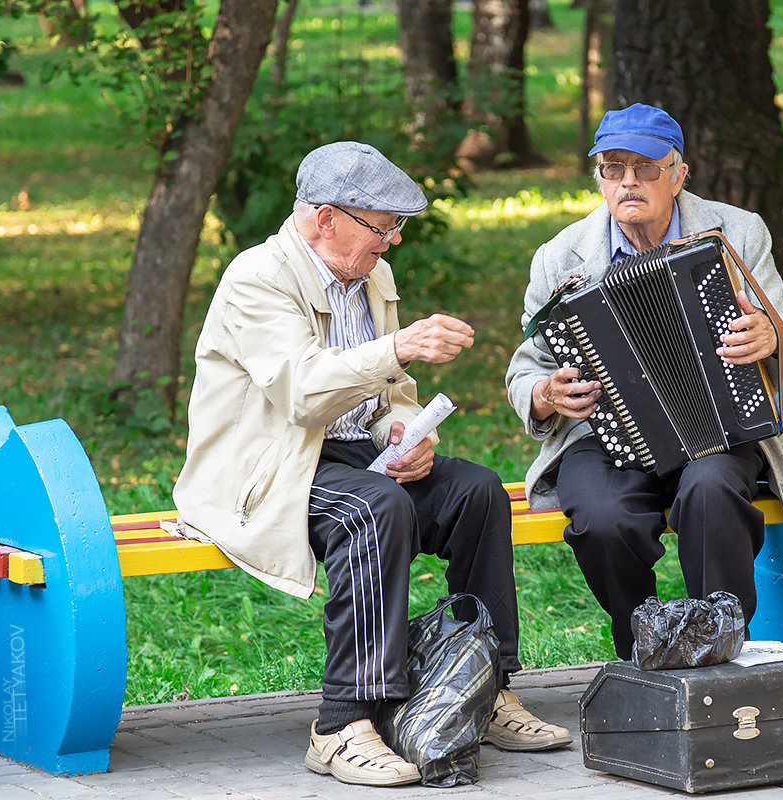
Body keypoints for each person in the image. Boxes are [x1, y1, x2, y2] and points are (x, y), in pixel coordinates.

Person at [175, 141, 570, 788]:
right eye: (381, 228)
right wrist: (399, 346)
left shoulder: (370, 274)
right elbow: (301, 392)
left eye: (395, 228)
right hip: (263, 470)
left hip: (352, 452)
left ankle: (486, 683)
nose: (390, 244)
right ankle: (341, 723)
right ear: (326, 219)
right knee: (373, 508)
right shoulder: (257, 277)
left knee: (478, 493)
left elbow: (388, 395)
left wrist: (402, 431)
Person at [505, 104, 783, 661]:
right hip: (603, 437)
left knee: (711, 493)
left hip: (718, 425)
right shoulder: (559, 257)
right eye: (613, 168)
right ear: (599, 178)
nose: (628, 182)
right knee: (603, 519)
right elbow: (526, 366)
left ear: (679, 174)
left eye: (645, 167)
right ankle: (645, 651)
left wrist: (770, 336)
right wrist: (544, 395)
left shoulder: (737, 230)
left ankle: (723, 650)